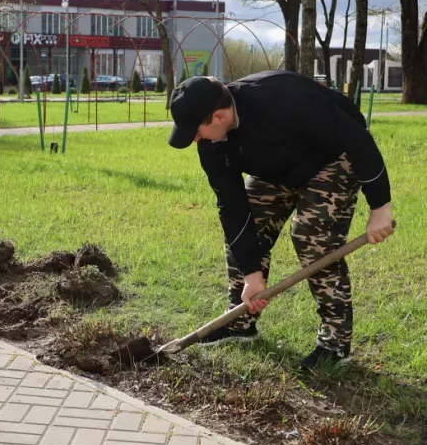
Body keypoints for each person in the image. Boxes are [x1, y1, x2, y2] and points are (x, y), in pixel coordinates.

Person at [166, 70, 394, 369]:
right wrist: (252, 275)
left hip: (331, 159)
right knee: (245, 230)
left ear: (219, 117)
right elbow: (232, 207)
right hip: (274, 171)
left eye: (195, 130)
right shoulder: (211, 144)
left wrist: (380, 207)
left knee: (312, 237)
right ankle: (239, 321)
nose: (194, 138)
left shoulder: (279, 96)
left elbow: (356, 139)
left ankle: (335, 343)